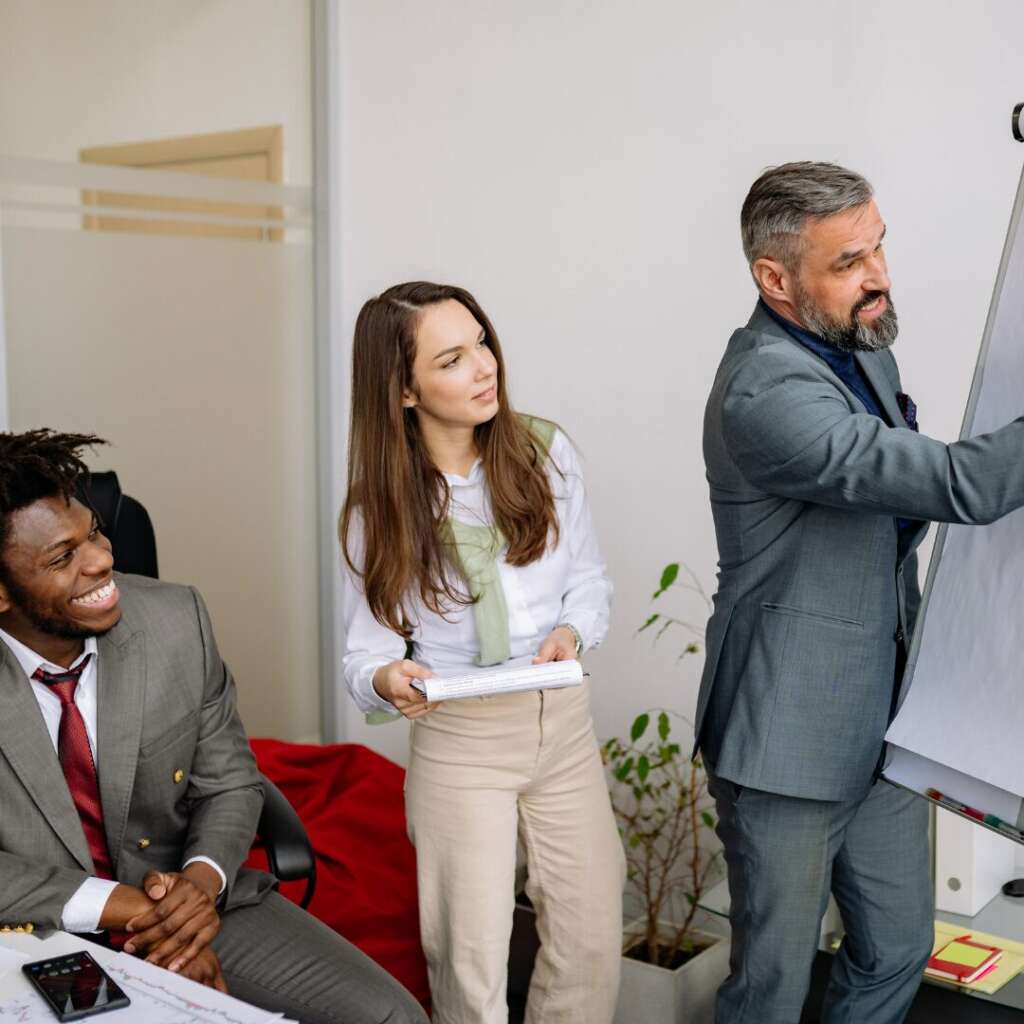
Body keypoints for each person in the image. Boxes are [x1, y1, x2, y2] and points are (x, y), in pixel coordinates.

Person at [697, 161, 1024, 1024]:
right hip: (786, 741)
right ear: (776, 278)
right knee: (770, 988)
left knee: (897, 949)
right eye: (848, 262)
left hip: (880, 724)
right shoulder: (766, 388)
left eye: (878, 247)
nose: (877, 275)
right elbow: (958, 486)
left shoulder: (855, 344)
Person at [0, 429, 428, 1024]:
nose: (102, 559)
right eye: (61, 557)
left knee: (391, 1017)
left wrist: (199, 890)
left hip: (192, 899)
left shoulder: (177, 620)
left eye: (93, 532)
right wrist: (129, 909)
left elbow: (229, 781)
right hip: (31, 928)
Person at [339, 281, 625, 1023]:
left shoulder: (545, 452)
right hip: (462, 738)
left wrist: (572, 632)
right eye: (453, 359)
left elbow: (588, 579)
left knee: (591, 938)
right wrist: (384, 676)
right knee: (470, 960)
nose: (484, 367)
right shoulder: (383, 505)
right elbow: (360, 656)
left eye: (483, 343)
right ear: (404, 390)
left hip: (560, 719)